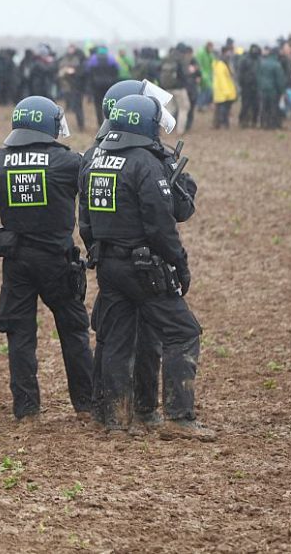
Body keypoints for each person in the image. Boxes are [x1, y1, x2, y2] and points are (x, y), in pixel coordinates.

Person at [78, 95, 214, 440]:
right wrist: (179, 263)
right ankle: (179, 418)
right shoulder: (145, 163)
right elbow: (160, 225)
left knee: (118, 342)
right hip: (146, 270)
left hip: (108, 266)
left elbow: (85, 222)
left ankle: (116, 420)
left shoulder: (95, 160)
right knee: (183, 332)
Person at [0, 96, 92, 421]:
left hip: (16, 259)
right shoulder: (69, 161)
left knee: (20, 334)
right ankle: (86, 405)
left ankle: (26, 409)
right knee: (73, 331)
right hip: (58, 259)